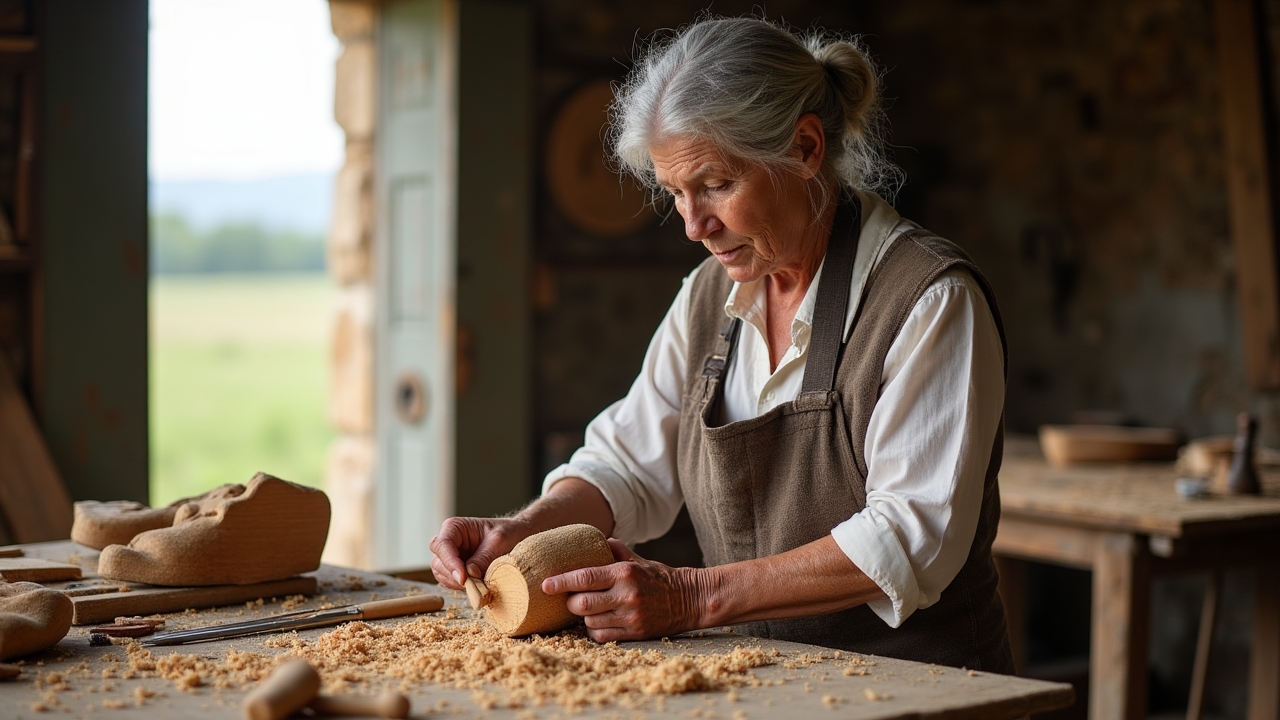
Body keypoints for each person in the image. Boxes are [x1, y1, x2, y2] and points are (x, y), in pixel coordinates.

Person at [431, 15, 1014, 672]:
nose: (694, 226)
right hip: (767, 687)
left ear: (805, 149)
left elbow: (911, 536)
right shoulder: (710, 297)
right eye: (676, 194)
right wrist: (522, 528)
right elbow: (627, 465)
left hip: (928, 694)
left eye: (715, 185)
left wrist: (695, 597)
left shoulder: (928, 300)